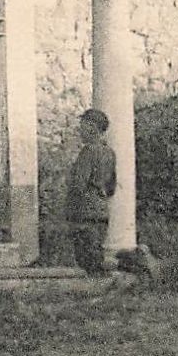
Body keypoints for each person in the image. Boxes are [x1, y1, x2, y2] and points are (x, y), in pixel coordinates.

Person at [65, 108, 117, 273]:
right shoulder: (109, 152)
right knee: (96, 254)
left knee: (86, 259)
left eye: (83, 125)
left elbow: (79, 183)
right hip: (101, 210)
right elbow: (111, 186)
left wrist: (70, 204)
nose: (80, 129)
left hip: (84, 211)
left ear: (93, 128)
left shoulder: (88, 151)